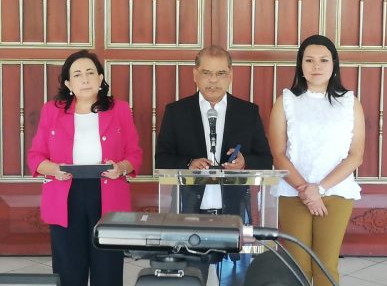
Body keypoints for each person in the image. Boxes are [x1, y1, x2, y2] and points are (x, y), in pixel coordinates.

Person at [155, 45, 272, 285]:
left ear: (231, 75)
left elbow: (266, 159)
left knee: (234, 281)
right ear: (195, 74)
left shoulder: (247, 112)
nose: (213, 80)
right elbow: (162, 158)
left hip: (234, 213)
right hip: (189, 213)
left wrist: (244, 162)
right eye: (207, 73)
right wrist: (188, 163)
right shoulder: (177, 112)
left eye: (220, 74)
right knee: (190, 279)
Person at [28, 50, 143, 286]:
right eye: (78, 74)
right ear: (68, 83)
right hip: (66, 194)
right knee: (69, 270)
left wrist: (121, 167)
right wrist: (54, 169)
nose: (85, 79)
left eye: (90, 72)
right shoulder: (52, 110)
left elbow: (135, 154)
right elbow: (35, 157)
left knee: (108, 270)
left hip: (108, 193)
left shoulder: (120, 109)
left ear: (100, 78)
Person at [269, 34, 365, 286]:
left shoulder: (349, 102)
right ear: (300, 64)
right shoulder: (286, 101)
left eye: (324, 60)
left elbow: (356, 155)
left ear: (334, 64)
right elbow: (278, 154)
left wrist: (319, 189)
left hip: (336, 193)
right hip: (293, 192)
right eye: (309, 60)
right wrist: (306, 190)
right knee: (297, 264)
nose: (316, 66)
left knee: (325, 264)